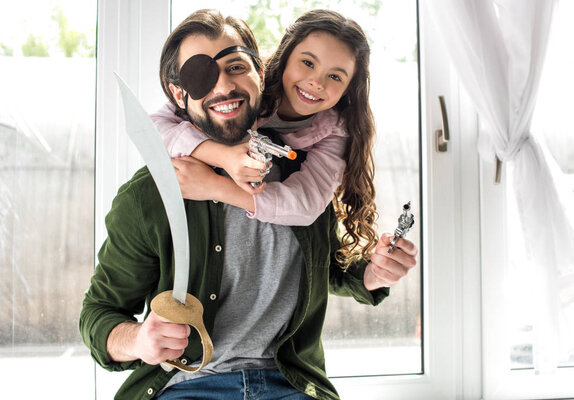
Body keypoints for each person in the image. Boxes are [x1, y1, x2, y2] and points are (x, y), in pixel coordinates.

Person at [79, 8, 417, 400]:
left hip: (290, 383)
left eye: (236, 67)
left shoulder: (303, 175)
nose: (223, 86)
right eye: (200, 75)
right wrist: (138, 340)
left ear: (261, 73)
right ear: (178, 94)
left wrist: (375, 274)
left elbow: (332, 269)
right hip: (188, 385)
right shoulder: (150, 196)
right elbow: (98, 314)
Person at [153, 8, 378, 267]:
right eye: (307, 63)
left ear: (350, 87)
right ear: (285, 55)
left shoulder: (336, 128)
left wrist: (214, 186)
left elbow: (306, 203)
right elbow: (155, 126)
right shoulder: (242, 87)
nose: (316, 82)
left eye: (335, 76)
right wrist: (223, 157)